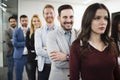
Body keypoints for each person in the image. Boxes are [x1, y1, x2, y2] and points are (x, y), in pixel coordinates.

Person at [69, 3, 120, 80]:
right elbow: (74, 77)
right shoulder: (77, 45)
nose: (103, 22)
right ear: (88, 20)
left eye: (106, 18)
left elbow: (117, 72)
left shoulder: (111, 44)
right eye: (97, 18)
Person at [46, 4, 77, 80]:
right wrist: (78, 61)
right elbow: (58, 63)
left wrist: (66, 57)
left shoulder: (78, 34)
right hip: (58, 77)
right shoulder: (51, 35)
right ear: (59, 18)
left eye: (71, 17)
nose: (69, 20)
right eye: (65, 17)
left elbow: (85, 58)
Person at [35, 4, 57, 80]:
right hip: (43, 66)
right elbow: (38, 51)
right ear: (43, 15)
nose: (49, 15)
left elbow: (62, 49)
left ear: (55, 14)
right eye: (46, 13)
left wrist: (45, 48)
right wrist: (55, 52)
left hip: (57, 66)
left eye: (51, 13)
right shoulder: (38, 31)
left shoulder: (60, 30)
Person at [13, 15, 29, 80]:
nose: (24, 22)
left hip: (29, 57)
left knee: (30, 75)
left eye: (26, 20)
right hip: (19, 57)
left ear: (28, 21)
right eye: (23, 21)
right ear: (20, 22)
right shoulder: (16, 31)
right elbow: (15, 43)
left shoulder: (31, 30)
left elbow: (33, 43)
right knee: (18, 75)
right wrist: (26, 42)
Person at [26, 14, 41, 80]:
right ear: (32, 22)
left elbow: (45, 45)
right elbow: (28, 46)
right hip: (31, 58)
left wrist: (36, 49)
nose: (36, 22)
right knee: (31, 77)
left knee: (41, 77)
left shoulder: (43, 31)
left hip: (41, 57)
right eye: (34, 21)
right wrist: (35, 33)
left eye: (38, 21)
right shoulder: (29, 32)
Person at [5, 16, 17, 80]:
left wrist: (13, 40)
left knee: (19, 70)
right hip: (10, 53)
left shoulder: (19, 30)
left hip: (19, 54)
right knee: (10, 70)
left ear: (16, 22)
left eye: (14, 21)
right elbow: (8, 41)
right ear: (9, 23)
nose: (12, 23)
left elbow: (22, 41)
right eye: (11, 22)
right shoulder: (6, 31)